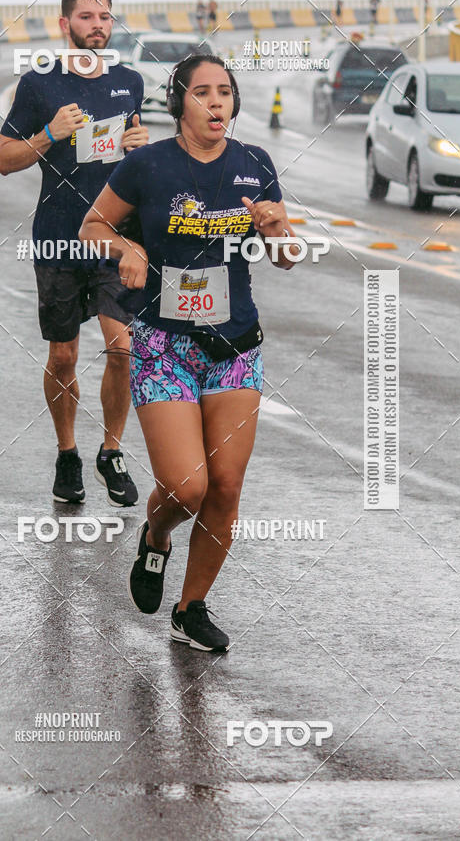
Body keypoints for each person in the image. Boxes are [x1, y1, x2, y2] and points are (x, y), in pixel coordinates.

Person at [79, 54, 301, 652]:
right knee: (185, 489)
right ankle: (155, 536)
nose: (215, 103)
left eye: (224, 92)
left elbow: (285, 256)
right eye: (202, 93)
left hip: (234, 346)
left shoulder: (255, 164)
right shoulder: (148, 165)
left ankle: (191, 607)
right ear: (179, 102)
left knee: (225, 486)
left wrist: (280, 231)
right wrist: (125, 245)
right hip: (164, 346)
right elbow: (91, 227)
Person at [0, 0, 149, 507]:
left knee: (123, 348)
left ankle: (111, 451)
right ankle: (67, 453)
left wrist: (139, 147)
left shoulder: (130, 81)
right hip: (59, 237)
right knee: (63, 355)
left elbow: (134, 161)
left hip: (114, 236)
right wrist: (49, 135)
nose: (97, 26)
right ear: (64, 25)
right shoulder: (39, 85)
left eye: (105, 17)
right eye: (86, 17)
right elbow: (4, 160)